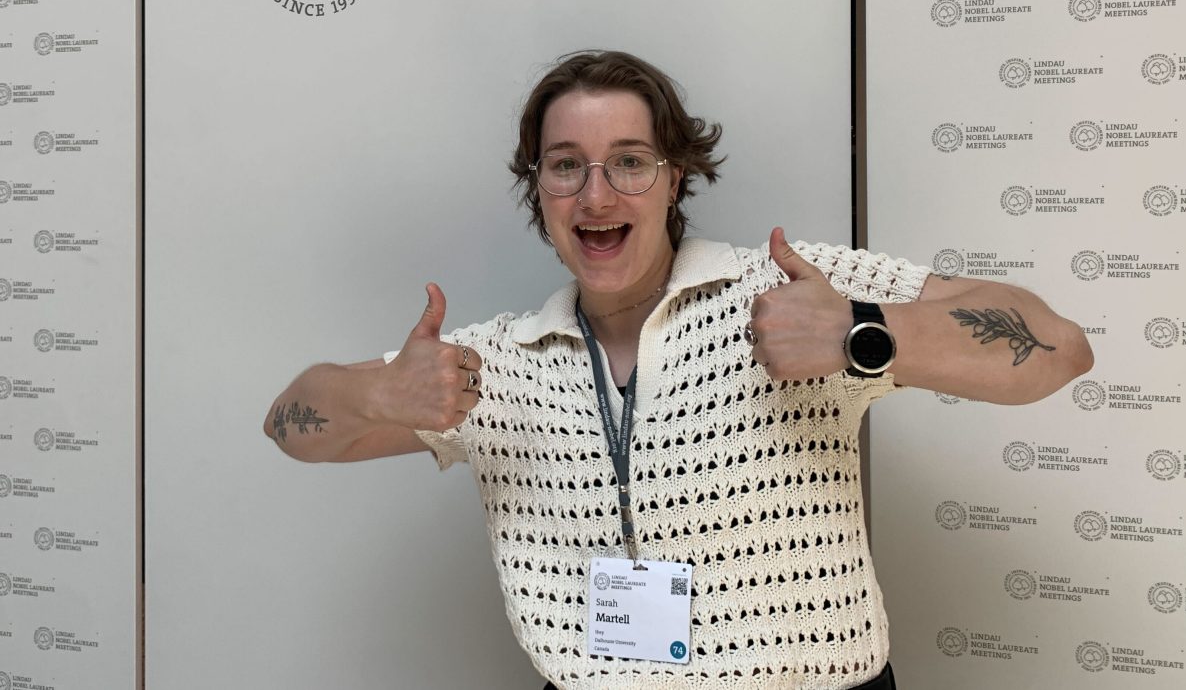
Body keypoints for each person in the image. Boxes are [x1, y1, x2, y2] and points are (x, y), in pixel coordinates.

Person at [265, 50, 1092, 689]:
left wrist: (861, 331)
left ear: (674, 178)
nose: (596, 195)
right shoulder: (495, 364)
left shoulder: (789, 295)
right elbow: (292, 426)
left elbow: (1057, 347)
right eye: (565, 165)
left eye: (629, 160)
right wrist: (377, 392)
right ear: (539, 189)